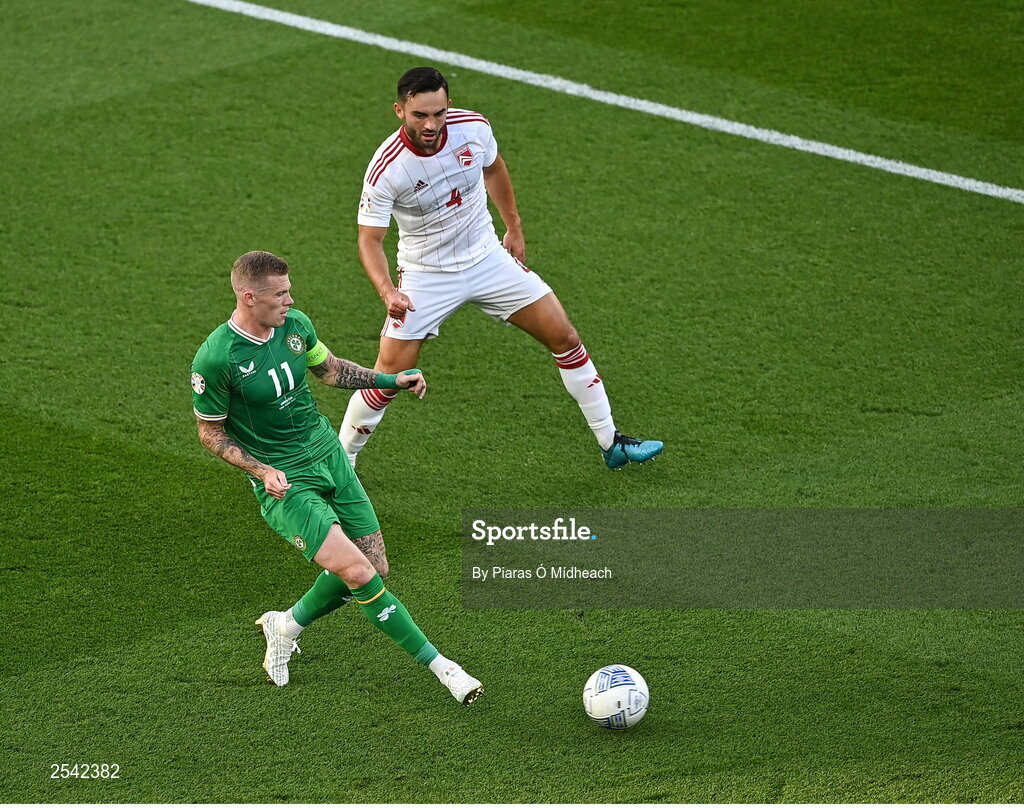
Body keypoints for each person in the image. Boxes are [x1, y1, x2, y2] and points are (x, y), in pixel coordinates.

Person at [190, 250, 482, 704]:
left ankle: (284, 626)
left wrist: (389, 379)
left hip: (328, 455)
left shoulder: (295, 326)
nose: (290, 300)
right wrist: (261, 470)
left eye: (289, 291)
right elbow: (210, 431)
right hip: (285, 480)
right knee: (360, 572)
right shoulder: (216, 359)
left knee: (374, 565)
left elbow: (330, 370)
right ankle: (445, 669)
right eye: (280, 294)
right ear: (249, 297)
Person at [339, 66, 664, 470]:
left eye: (438, 113)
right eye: (420, 115)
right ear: (399, 111)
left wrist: (514, 226)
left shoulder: (473, 128)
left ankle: (611, 443)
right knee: (387, 376)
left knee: (564, 336)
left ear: (449, 107)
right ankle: (341, 464)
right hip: (426, 277)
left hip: (488, 258)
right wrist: (388, 290)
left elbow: (494, 169)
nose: (431, 123)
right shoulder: (388, 167)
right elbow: (369, 240)